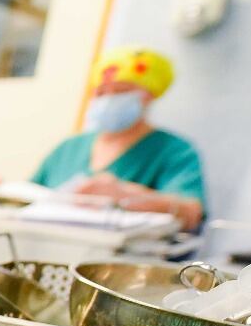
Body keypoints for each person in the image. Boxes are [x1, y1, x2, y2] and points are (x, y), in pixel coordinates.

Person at [14, 46, 206, 232]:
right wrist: (2, 191)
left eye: (121, 90)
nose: (108, 99)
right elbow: (29, 196)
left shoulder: (174, 151)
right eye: (100, 92)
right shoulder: (69, 148)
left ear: (148, 96)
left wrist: (125, 195)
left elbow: (191, 214)